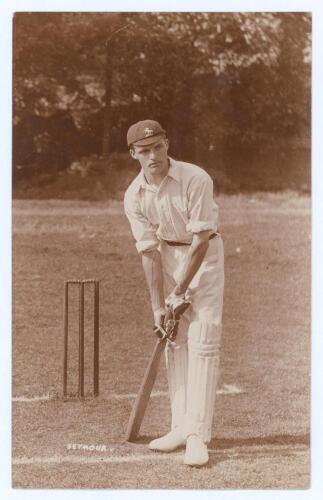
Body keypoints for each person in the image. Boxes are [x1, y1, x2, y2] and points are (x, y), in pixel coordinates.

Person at [124, 119, 224, 466]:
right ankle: (179, 425)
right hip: (168, 255)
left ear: (167, 144)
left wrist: (180, 290)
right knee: (173, 339)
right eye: (145, 151)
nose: (153, 156)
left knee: (203, 338)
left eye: (158, 147)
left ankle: (198, 435)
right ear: (133, 154)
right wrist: (158, 306)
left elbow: (200, 240)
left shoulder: (196, 178)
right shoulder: (134, 195)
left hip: (206, 256)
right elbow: (149, 252)